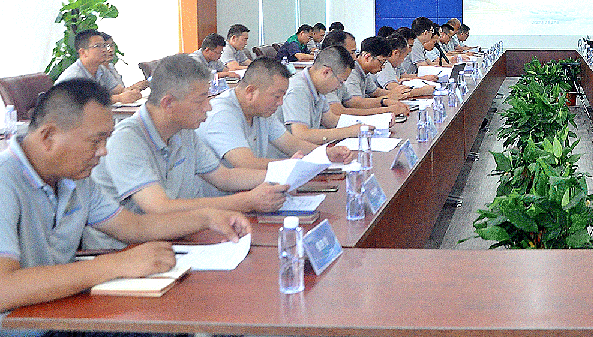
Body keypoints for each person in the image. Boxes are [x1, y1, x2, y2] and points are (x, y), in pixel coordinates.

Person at [0, 79, 250, 312]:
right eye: (95, 141)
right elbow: (4, 288)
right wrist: (116, 264)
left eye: (105, 140)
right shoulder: (5, 180)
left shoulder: (75, 179)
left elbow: (134, 227)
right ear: (48, 136)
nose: (103, 151)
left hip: (59, 310)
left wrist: (207, 218)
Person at [90, 54, 288, 224]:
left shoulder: (183, 132)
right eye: (201, 100)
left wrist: (287, 175)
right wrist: (247, 201)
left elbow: (224, 177)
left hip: (174, 234)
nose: (208, 107)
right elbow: (159, 207)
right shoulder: (126, 141)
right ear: (168, 103)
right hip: (124, 249)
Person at [197, 57, 355, 170]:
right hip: (221, 200)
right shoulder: (222, 113)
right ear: (251, 91)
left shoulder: (261, 111)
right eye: (277, 96)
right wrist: (290, 165)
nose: (280, 103)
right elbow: (246, 163)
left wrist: (326, 153)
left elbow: (291, 144)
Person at [276, 45, 390, 144]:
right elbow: (302, 134)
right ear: (326, 72)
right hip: (287, 158)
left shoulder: (318, 88)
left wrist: (374, 122)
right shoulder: (298, 89)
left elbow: (331, 121)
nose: (340, 86)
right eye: (340, 81)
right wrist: (349, 131)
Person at [56, 29, 144, 104]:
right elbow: (89, 102)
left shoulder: (100, 69)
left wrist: (131, 93)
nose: (104, 50)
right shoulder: (75, 75)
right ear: (83, 52)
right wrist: (119, 98)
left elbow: (118, 90)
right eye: (97, 46)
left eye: (104, 46)